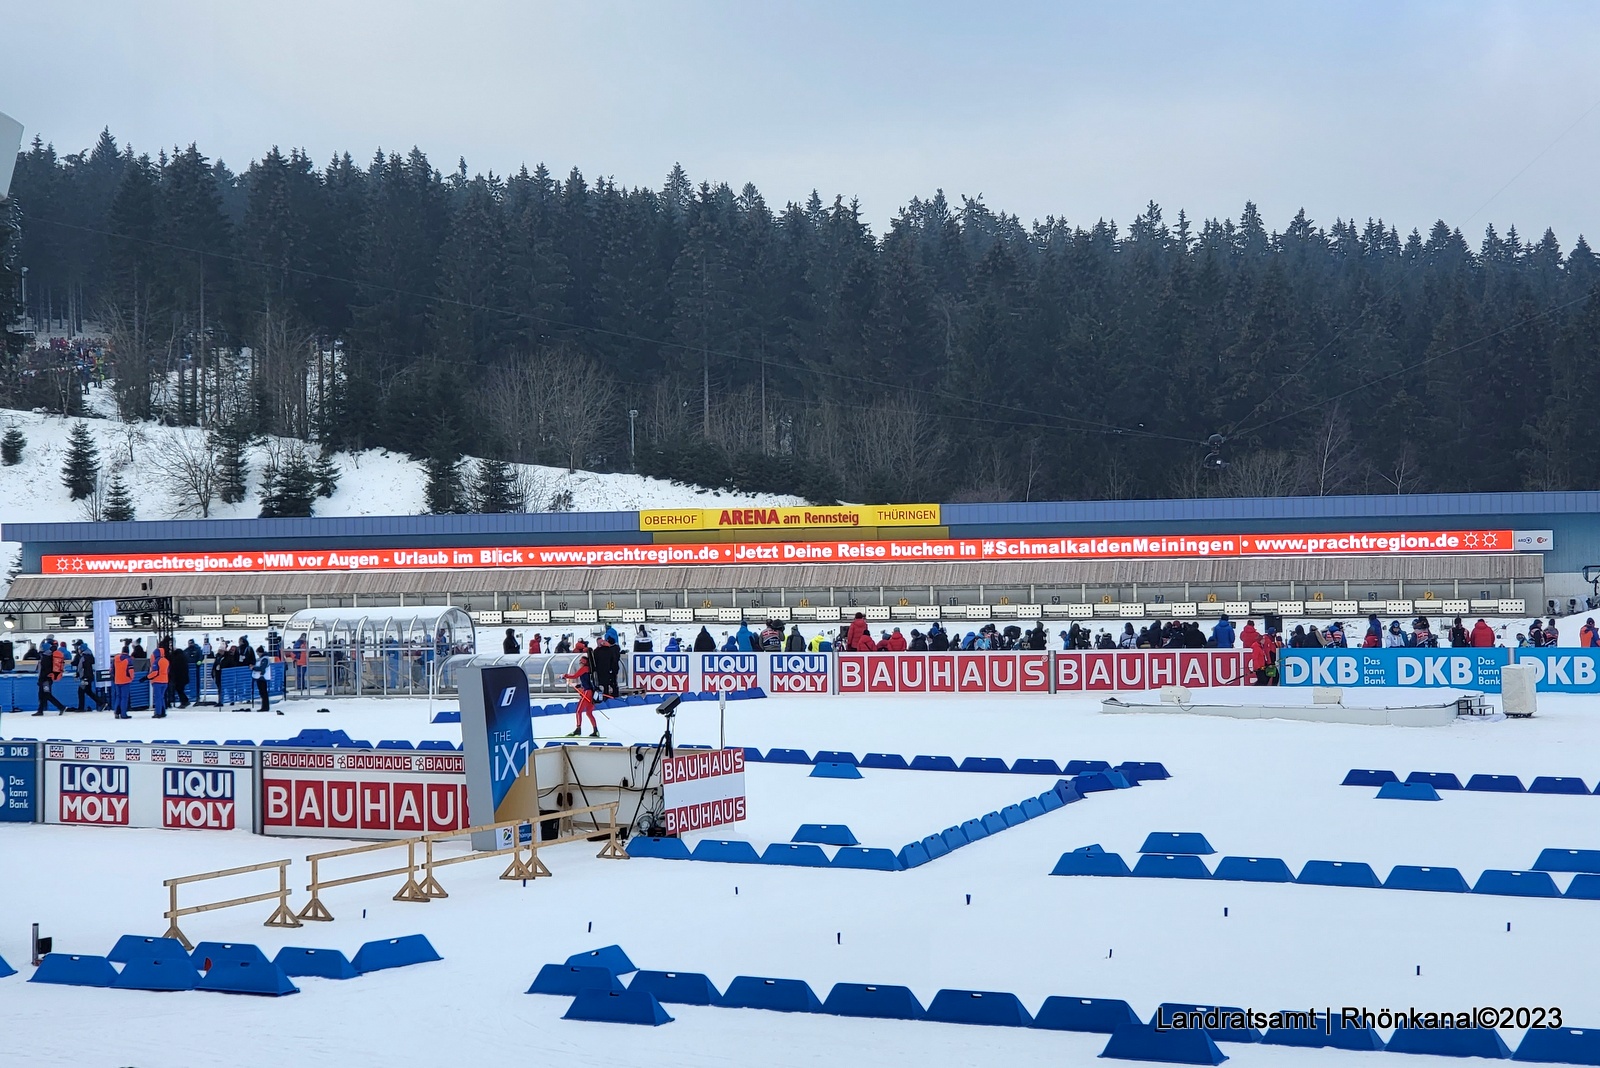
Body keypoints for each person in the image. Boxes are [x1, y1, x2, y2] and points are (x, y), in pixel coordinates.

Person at [71, 641, 102, 712]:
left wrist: (85, 677)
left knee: (81, 691)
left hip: (86, 678)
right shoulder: (87, 656)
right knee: (88, 691)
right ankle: (101, 702)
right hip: (88, 677)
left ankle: (81, 707)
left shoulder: (85, 657)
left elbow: (85, 668)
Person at [144, 644, 170, 718]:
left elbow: (155, 672)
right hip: (165, 681)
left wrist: (146, 677)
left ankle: (158, 713)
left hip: (157, 682)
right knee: (162, 697)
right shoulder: (166, 661)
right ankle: (163, 711)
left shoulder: (156, 661)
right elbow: (167, 671)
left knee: (158, 698)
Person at [165, 637, 191, 708]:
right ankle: (184, 701)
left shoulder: (177, 657)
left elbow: (175, 666)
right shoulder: (182, 656)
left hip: (179, 676)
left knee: (179, 689)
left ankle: (184, 701)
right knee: (179, 689)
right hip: (182, 676)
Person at [111, 641, 135, 718]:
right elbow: (131, 671)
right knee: (124, 698)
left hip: (117, 680)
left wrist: (114, 677)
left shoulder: (116, 658)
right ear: (128, 652)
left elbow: (111, 670)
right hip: (126, 681)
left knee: (118, 697)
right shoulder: (129, 660)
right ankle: (123, 714)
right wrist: (131, 678)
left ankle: (116, 712)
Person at [252, 646, 271, 711]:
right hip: (260, 677)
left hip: (262, 677)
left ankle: (265, 707)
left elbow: (262, 668)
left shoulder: (264, 659)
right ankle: (264, 707)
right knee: (262, 693)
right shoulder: (262, 659)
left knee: (263, 693)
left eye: (258, 653)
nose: (257, 654)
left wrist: (253, 668)